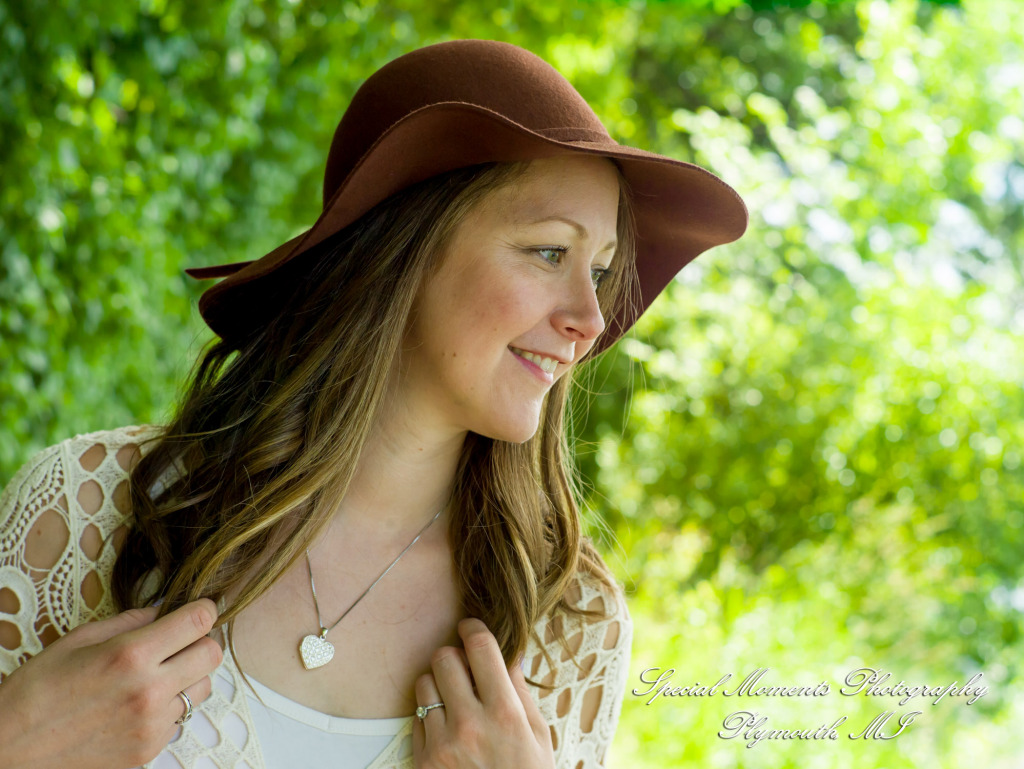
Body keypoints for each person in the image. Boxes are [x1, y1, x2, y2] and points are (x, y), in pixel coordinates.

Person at [0, 39, 747, 769]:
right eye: (550, 252)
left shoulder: (569, 619)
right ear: (405, 250)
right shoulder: (90, 507)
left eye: (604, 270)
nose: (590, 318)